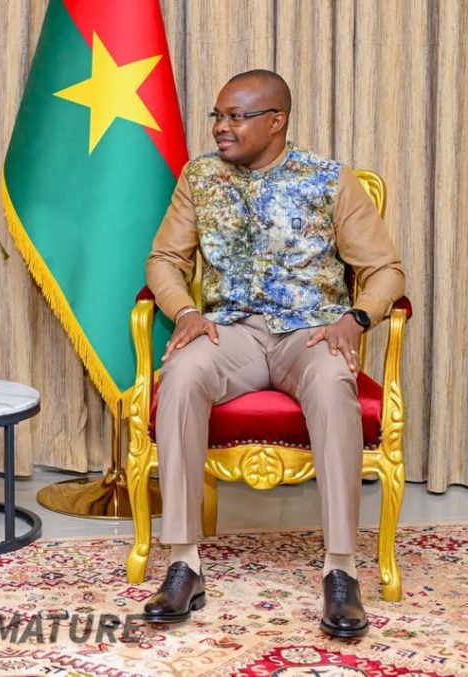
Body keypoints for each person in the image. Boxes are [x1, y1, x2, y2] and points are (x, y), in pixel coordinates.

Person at [140, 69, 405, 638]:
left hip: (309, 336)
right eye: (217, 116)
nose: (221, 127)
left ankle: (341, 571)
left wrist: (356, 318)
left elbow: (384, 269)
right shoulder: (200, 177)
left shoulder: (329, 180)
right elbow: (164, 259)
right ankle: (184, 563)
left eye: (236, 117)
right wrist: (184, 312)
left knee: (333, 383)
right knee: (181, 374)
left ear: (276, 121)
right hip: (229, 334)